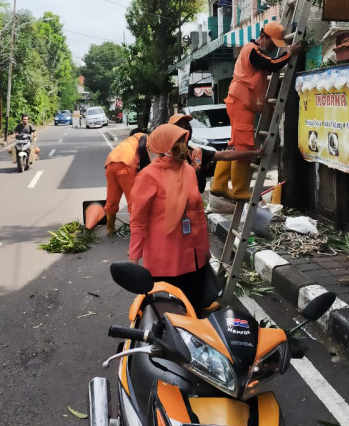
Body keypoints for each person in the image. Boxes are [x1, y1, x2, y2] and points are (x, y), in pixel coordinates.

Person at [211, 22, 301, 201]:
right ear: (264, 36)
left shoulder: (252, 50)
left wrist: (267, 106)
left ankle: (219, 184)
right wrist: (289, 53)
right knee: (244, 148)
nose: (274, 47)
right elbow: (273, 65)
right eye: (273, 43)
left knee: (235, 144)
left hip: (240, 102)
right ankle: (239, 189)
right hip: (241, 102)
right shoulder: (253, 50)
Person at [129, 124, 210, 314]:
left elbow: (198, 213)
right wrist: (133, 261)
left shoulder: (189, 171)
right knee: (169, 321)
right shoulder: (147, 176)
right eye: (176, 143)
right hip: (164, 264)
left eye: (182, 141)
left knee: (194, 315)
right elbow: (138, 221)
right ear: (161, 146)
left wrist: (205, 249)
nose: (182, 146)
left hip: (194, 260)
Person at [167, 113, 263, 194]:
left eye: (188, 125)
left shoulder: (196, 152)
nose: (187, 128)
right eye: (182, 126)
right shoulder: (166, 153)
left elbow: (225, 155)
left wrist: (254, 152)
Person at [104, 128, 149, 236]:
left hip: (110, 165)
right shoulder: (143, 136)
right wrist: (145, 170)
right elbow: (143, 150)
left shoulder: (127, 142)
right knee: (133, 201)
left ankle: (110, 228)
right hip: (125, 165)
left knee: (112, 198)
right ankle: (136, 233)